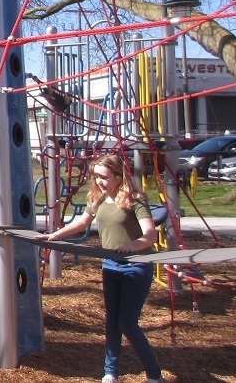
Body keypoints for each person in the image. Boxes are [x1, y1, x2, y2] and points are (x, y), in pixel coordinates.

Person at [35, 153, 164, 383]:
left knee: (127, 322)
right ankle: (110, 372)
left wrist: (133, 246)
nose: (100, 182)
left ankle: (154, 374)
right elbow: (82, 223)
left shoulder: (135, 199)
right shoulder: (98, 199)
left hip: (136, 266)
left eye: (104, 177)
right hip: (110, 265)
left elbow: (150, 235)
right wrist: (55, 235)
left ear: (117, 175)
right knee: (112, 321)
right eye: (96, 178)